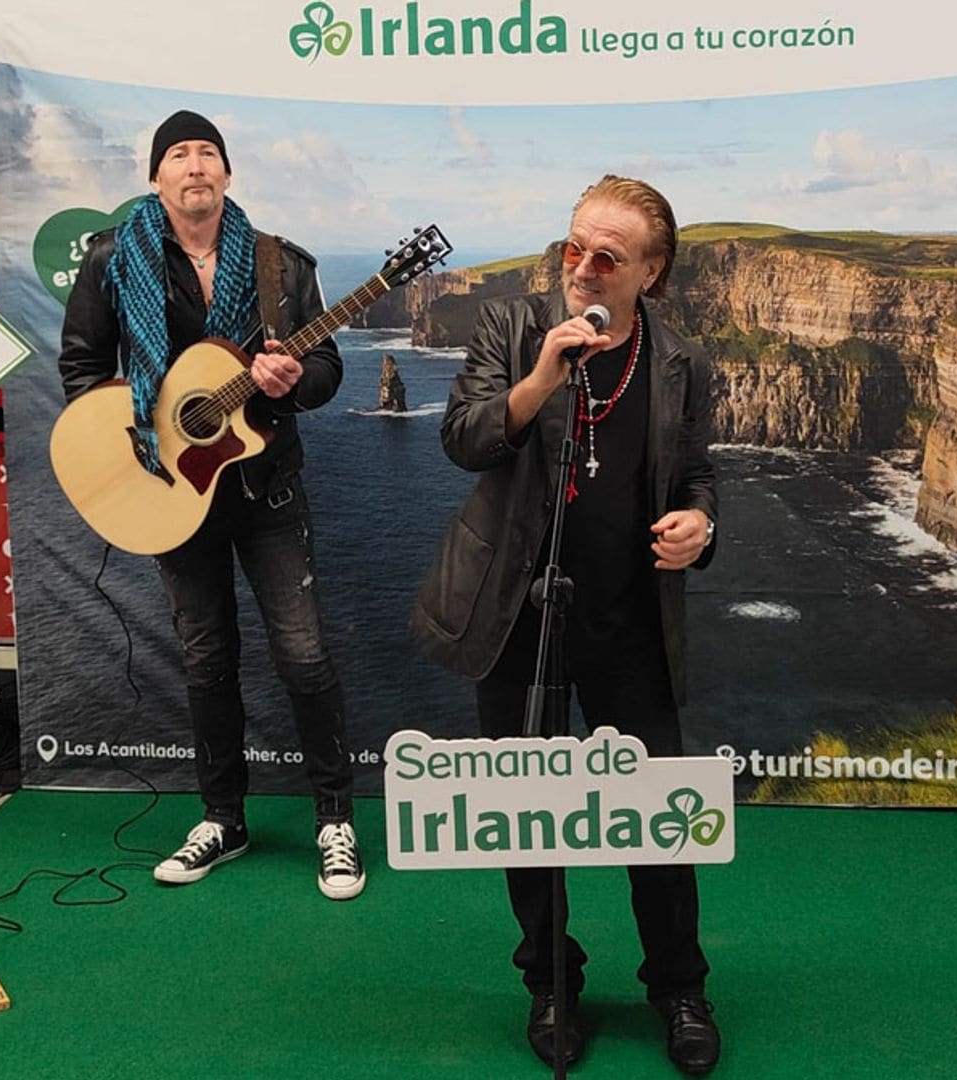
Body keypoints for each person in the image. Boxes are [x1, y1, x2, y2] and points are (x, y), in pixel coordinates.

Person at [412, 176, 721, 1074]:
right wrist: (545, 372)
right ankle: (551, 980)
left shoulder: (681, 360)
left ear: (651, 275)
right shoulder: (511, 328)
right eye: (572, 247)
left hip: (628, 620)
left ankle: (679, 985)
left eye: (608, 258)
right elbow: (465, 438)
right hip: (517, 613)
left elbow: (697, 473)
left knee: (657, 816)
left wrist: (700, 528)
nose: (581, 269)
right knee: (525, 813)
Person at [58, 110, 362, 900]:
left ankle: (335, 818)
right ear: (156, 177)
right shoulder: (111, 260)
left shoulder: (281, 267)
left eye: (209, 154)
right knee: (205, 658)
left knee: (303, 654)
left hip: (266, 489)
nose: (195, 166)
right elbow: (83, 366)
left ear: (227, 175)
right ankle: (223, 818)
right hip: (167, 492)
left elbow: (327, 368)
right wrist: (130, 436)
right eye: (179, 155)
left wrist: (296, 383)